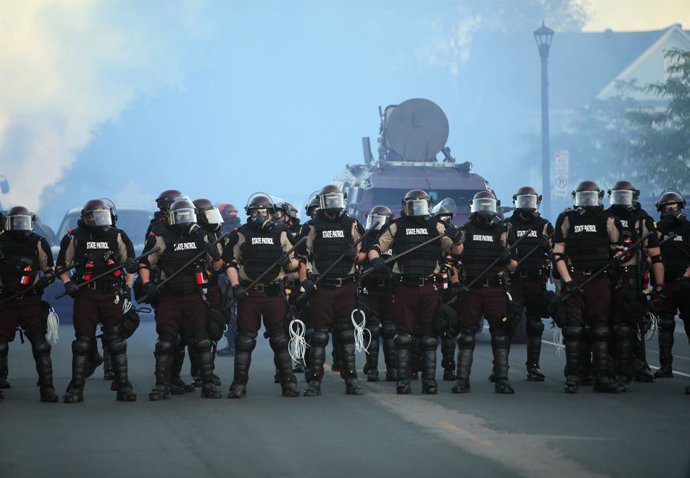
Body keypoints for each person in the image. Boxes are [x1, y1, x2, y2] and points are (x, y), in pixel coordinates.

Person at [369, 189, 461, 395]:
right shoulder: (396, 226)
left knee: (428, 337)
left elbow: (456, 251)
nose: (416, 209)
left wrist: (456, 238)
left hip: (429, 286)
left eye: (419, 205)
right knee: (403, 337)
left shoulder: (437, 227)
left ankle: (429, 382)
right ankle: (403, 381)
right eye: (412, 205)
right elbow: (376, 247)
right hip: (405, 287)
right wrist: (375, 259)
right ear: (404, 206)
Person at [139, 198, 224, 400]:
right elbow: (145, 263)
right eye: (180, 216)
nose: (185, 220)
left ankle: (208, 384)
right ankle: (162, 385)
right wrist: (147, 284)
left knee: (203, 341)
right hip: (170, 296)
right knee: (166, 342)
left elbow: (218, 267)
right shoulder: (161, 236)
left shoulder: (202, 236)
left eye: (188, 215)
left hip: (196, 295)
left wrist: (215, 253)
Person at [57, 199, 138, 402]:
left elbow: (131, 265)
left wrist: (127, 288)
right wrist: (67, 283)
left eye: (102, 215)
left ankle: (124, 386)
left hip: (111, 294)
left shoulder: (117, 235)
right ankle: (76, 388)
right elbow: (61, 266)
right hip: (86, 294)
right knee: (83, 342)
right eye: (94, 215)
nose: (98, 219)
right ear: (85, 217)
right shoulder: (75, 237)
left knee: (116, 341)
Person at [224, 193, 301, 398]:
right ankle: (239, 385)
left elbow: (297, 263)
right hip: (249, 293)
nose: (260, 214)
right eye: (256, 211)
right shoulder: (240, 233)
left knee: (280, 340)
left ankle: (289, 384)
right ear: (250, 212)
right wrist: (235, 285)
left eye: (264, 211)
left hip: (274, 293)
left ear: (270, 212)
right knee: (244, 341)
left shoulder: (281, 233)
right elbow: (230, 263)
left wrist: (287, 263)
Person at [552, 181, 625, 394]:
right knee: (573, 330)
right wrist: (568, 282)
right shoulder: (567, 219)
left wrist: (619, 256)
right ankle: (574, 376)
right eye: (582, 197)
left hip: (600, 280)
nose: (586, 201)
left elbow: (618, 251)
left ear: (599, 197)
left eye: (590, 197)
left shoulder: (609, 220)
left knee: (601, 330)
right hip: (575, 278)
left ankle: (601, 376)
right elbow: (558, 254)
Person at [299, 184, 367, 396]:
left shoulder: (352, 224)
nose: (334, 204)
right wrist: (305, 281)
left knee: (346, 334)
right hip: (322, 287)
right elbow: (303, 257)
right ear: (322, 202)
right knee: (319, 336)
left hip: (345, 285)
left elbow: (365, 253)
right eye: (329, 200)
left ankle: (351, 381)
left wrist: (354, 256)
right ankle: (315, 382)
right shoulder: (311, 226)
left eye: (336, 200)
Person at [449, 190, 518, 394]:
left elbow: (514, 266)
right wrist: (456, 241)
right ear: (474, 207)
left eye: (489, 206)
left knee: (500, 335)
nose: (485, 210)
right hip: (472, 288)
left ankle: (502, 380)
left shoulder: (503, 230)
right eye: (482, 205)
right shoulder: (465, 229)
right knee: (467, 335)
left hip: (495, 289)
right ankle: (462, 380)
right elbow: (456, 254)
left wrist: (507, 259)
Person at [605, 181, 663, 386]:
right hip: (609, 275)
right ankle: (608, 363)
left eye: (625, 196)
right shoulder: (605, 217)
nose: (621, 200)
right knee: (608, 321)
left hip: (633, 275)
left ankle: (639, 363)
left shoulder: (643, 220)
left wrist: (659, 285)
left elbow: (656, 256)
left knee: (634, 321)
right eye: (618, 196)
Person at [0, 206, 59, 402]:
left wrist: (47, 279)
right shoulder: (1, 242)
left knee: (41, 345)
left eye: (22, 222)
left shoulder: (38, 242)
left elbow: (48, 269)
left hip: (31, 300)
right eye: (15, 222)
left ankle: (47, 388)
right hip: (5, 301)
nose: (19, 226)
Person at [506, 187, 554, 382]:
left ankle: (533, 367)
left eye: (530, 200)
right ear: (516, 201)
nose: (527, 204)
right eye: (523, 200)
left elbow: (557, 252)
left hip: (536, 280)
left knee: (535, 325)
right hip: (515, 280)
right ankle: (500, 368)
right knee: (509, 323)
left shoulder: (544, 226)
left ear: (537, 202)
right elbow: (498, 249)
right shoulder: (507, 225)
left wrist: (547, 247)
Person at [653, 189, 690, 394]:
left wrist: (687, 277)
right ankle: (665, 366)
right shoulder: (658, 228)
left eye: (673, 207)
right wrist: (663, 226)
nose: (670, 210)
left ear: (681, 207)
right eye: (666, 207)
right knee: (665, 324)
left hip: (686, 283)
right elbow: (650, 247)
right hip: (665, 282)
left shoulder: (688, 228)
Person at [360, 205, 396, 382]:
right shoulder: (366, 237)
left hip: (390, 287)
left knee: (390, 329)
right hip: (370, 286)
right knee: (372, 329)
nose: (376, 223)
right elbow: (359, 258)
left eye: (380, 219)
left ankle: (392, 369)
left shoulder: (395, 236)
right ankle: (372, 368)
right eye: (374, 218)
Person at [216, 202, 241, 357]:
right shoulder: (241, 229)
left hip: (227, 276)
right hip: (239, 275)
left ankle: (233, 345)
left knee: (231, 311)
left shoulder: (222, 231)